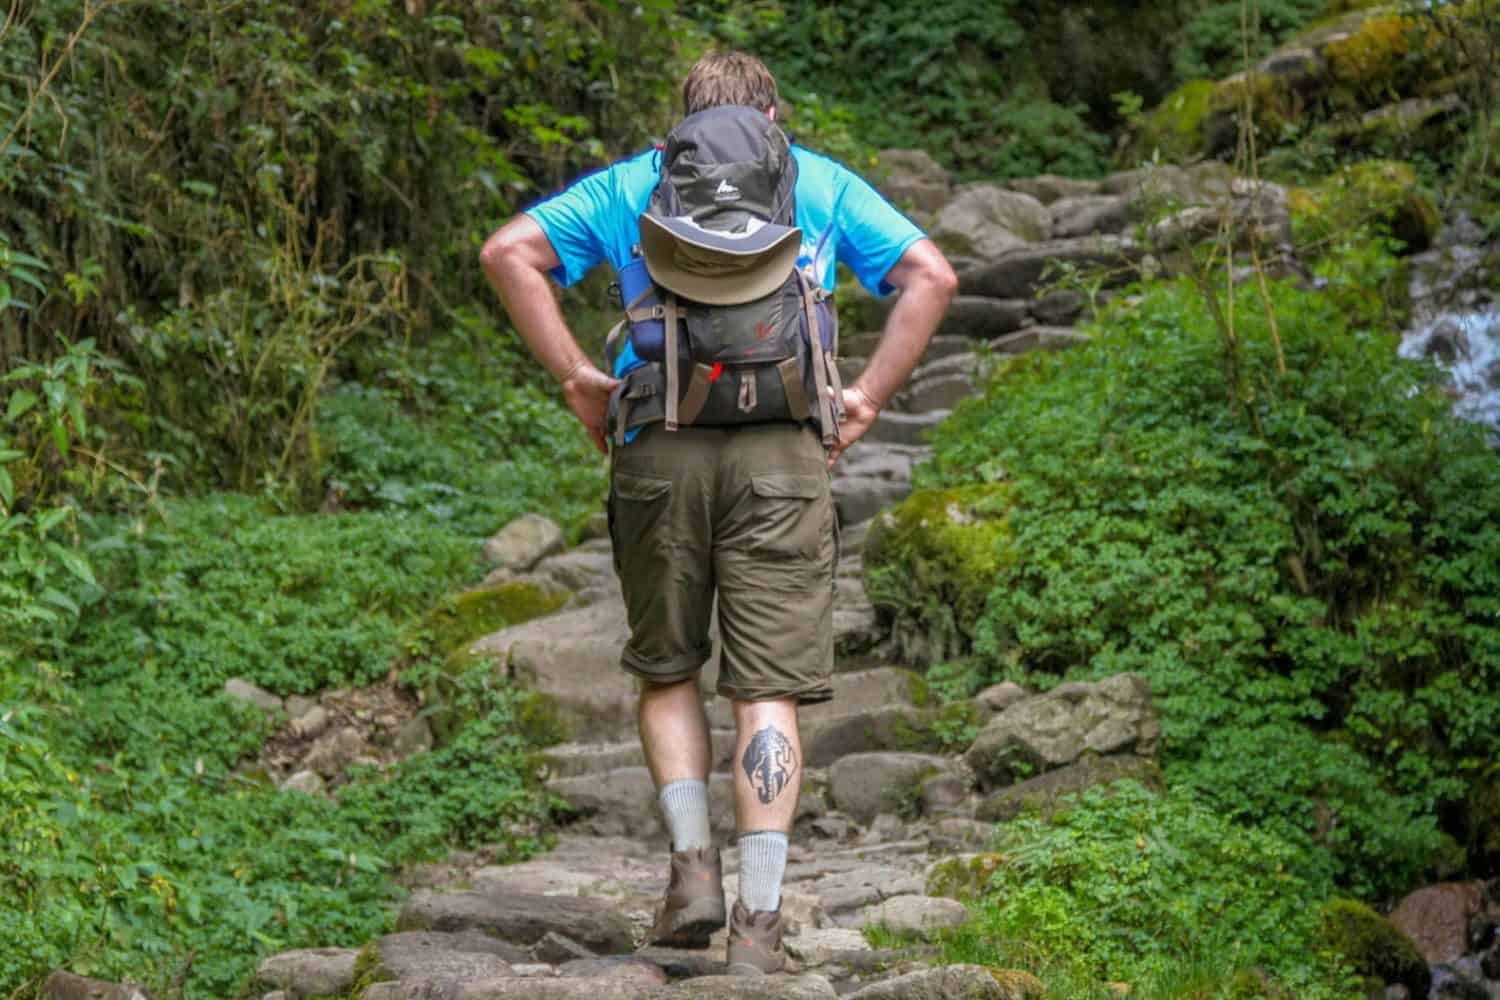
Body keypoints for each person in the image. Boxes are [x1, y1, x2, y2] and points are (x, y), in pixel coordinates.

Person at [479, 51, 956, 975]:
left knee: (668, 668)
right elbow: (930, 275)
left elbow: (508, 253)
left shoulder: (636, 184)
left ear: (682, 121)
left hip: (655, 442)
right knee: (765, 687)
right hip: (783, 452)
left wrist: (581, 379)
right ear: (772, 115)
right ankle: (760, 927)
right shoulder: (814, 180)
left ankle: (693, 872)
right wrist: (863, 400)